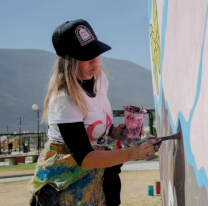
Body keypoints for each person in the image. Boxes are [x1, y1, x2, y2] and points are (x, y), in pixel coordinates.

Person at [28, 19, 161, 206]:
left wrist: (114, 132)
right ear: (69, 62)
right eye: (86, 56)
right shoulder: (64, 98)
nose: (95, 60)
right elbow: (85, 158)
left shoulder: (100, 79)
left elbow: (93, 125)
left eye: (96, 52)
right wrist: (133, 153)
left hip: (98, 174)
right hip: (67, 183)